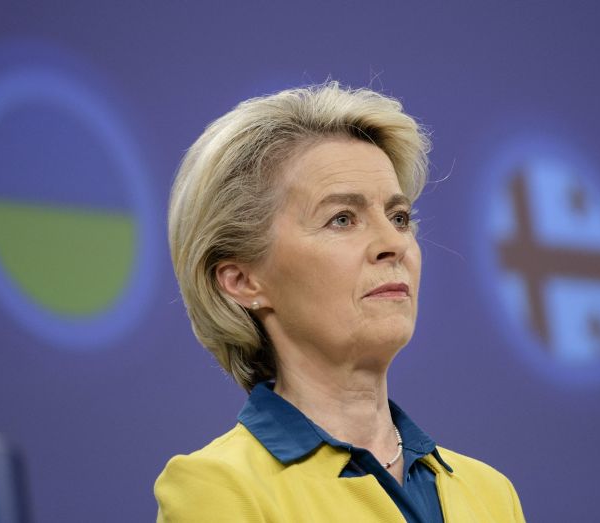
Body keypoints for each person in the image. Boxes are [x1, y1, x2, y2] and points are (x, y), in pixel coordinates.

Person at [155, 82, 525, 522]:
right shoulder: (218, 489)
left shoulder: (491, 494)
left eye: (399, 217)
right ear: (242, 281)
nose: (394, 244)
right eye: (342, 219)